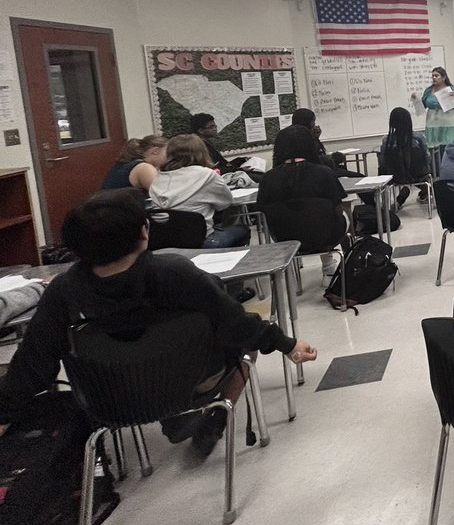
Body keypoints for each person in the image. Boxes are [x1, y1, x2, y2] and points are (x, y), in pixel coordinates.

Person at [0, 190, 317, 455]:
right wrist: (286, 344)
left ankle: (178, 417)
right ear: (144, 232)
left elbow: (33, 365)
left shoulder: (63, 291)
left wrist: (4, 414)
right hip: (192, 386)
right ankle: (217, 413)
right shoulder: (174, 272)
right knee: (245, 344)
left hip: (109, 401)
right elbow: (236, 324)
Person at [256, 125, 348, 277]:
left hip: (284, 239)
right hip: (326, 237)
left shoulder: (268, 178)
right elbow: (337, 211)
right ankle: (335, 267)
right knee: (341, 213)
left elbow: (263, 213)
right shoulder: (324, 173)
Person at [149, 134, 249, 248]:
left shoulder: (157, 178)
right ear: (202, 152)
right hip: (202, 240)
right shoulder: (206, 175)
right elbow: (225, 203)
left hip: (166, 243)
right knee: (242, 230)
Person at [380, 107, 430, 208]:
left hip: (395, 178)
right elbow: (427, 158)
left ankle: (404, 193)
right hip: (418, 175)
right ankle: (424, 192)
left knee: (405, 175)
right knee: (423, 176)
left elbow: (383, 163)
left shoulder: (386, 141)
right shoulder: (419, 138)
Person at [414, 67, 454, 149]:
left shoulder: (451, 89)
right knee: (434, 149)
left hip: (449, 124)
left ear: (443, 77)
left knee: (449, 147)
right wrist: (416, 100)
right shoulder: (429, 90)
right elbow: (422, 108)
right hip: (433, 124)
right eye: (432, 76)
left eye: (436, 76)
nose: (434, 78)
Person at [102, 135, 167, 190]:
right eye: (167, 152)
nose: (170, 156)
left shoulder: (127, 164)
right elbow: (165, 194)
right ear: (156, 150)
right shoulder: (144, 168)